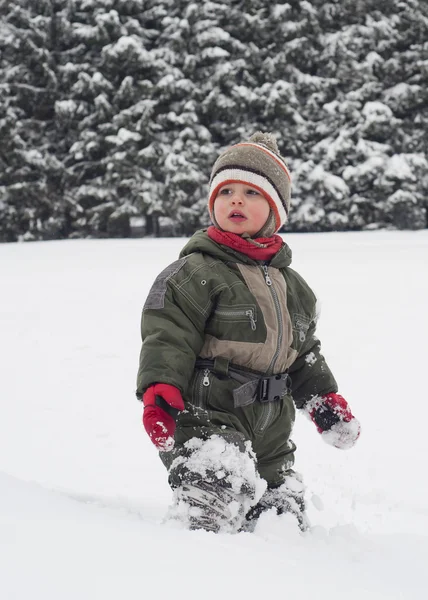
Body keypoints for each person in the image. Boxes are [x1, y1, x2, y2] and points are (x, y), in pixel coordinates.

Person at [136, 132, 361, 533]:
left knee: (282, 513)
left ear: (275, 211)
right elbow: (167, 333)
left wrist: (323, 401)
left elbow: (304, 352)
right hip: (210, 412)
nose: (236, 200)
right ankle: (188, 560)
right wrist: (159, 390)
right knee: (215, 488)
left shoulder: (294, 286)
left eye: (251, 193)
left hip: (273, 426)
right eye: (226, 191)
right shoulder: (195, 273)